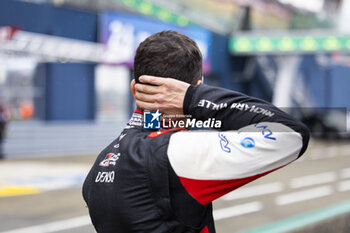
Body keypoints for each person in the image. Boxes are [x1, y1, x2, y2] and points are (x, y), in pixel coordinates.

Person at [83, 31, 309, 233]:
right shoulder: (178, 153)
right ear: (197, 86)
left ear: (134, 89)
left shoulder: (98, 167)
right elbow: (292, 134)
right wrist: (195, 98)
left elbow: (149, 126)